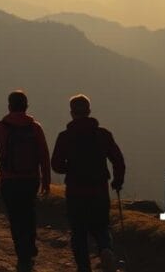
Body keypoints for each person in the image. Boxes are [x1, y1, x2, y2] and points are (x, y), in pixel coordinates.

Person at [51, 95, 126, 272]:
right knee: (101, 226)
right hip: (99, 190)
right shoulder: (103, 135)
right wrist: (117, 181)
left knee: (78, 232)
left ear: (71, 113)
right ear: (89, 111)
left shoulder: (65, 137)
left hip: (76, 193)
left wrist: (69, 168)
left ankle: (84, 267)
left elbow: (56, 165)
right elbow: (118, 160)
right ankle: (105, 249)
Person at [0, 90, 51, 272]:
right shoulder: (35, 127)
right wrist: (46, 180)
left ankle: (22, 255)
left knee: (15, 217)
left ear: (9, 106)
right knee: (29, 212)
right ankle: (30, 247)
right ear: (26, 106)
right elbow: (44, 155)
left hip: (9, 180)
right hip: (30, 179)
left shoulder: (0, 127)